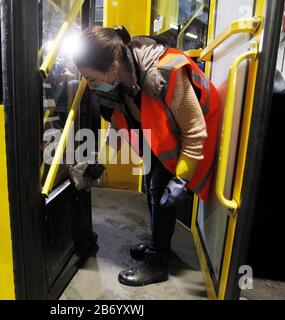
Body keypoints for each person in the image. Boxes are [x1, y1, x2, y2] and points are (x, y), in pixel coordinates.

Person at [73, 26, 221, 287]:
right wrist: (99, 163)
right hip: (167, 136)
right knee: (154, 187)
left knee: (160, 188)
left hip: (196, 137)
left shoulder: (163, 73)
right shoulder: (116, 82)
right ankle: (159, 246)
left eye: (91, 78)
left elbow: (196, 131)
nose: (90, 85)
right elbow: (118, 126)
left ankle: (157, 263)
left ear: (113, 65)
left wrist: (182, 178)